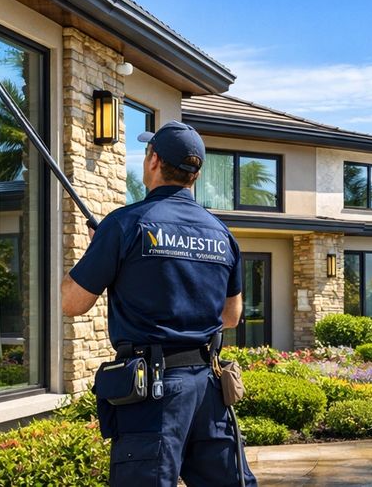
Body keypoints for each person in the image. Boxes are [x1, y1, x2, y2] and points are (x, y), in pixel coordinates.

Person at [61, 121, 259, 487]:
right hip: (208, 389)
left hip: (153, 393)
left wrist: (103, 251)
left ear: (153, 161)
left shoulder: (125, 225)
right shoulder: (221, 233)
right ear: (195, 174)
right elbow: (231, 317)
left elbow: (72, 302)